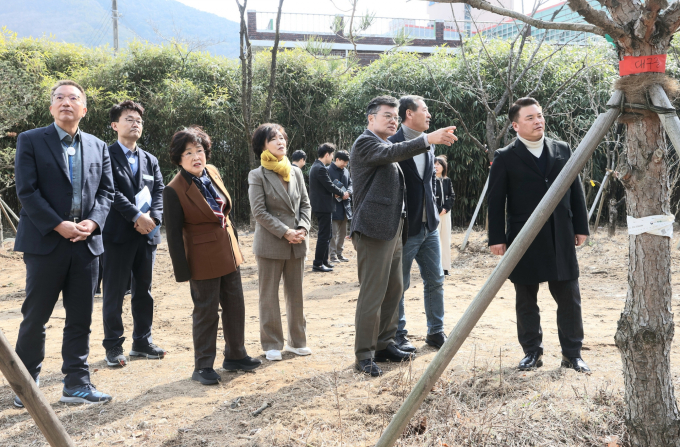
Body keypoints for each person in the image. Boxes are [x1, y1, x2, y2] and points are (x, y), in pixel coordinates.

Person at [13, 80, 115, 406]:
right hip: (45, 243)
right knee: (35, 316)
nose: (66, 102)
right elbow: (26, 191)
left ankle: (77, 384)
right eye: (59, 98)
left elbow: (107, 193)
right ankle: (25, 385)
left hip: (86, 246)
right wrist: (58, 225)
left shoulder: (99, 146)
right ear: (51, 108)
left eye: (73, 98)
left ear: (84, 109)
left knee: (80, 318)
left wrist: (94, 221)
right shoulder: (31, 141)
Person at [350, 95, 457, 376]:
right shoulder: (365, 143)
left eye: (395, 116)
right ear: (370, 118)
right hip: (373, 230)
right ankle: (364, 354)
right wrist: (428, 139)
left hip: (396, 228)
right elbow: (391, 155)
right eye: (387, 116)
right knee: (372, 294)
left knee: (394, 289)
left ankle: (384, 344)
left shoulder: (387, 143)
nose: (393, 120)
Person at [487, 97, 590, 373]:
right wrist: (496, 237)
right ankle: (532, 352)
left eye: (540, 116)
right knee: (526, 297)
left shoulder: (562, 149)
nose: (538, 121)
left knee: (569, 296)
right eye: (530, 117)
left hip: (561, 233)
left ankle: (572, 354)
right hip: (524, 236)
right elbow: (495, 200)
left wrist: (581, 226)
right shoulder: (505, 157)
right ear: (515, 125)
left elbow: (575, 190)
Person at [164, 126, 261, 385]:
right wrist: (182, 271)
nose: (196, 157)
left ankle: (236, 355)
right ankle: (203, 365)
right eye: (188, 153)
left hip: (228, 252)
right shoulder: (173, 189)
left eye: (199, 150)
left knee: (235, 305)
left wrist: (237, 248)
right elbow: (173, 234)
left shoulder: (213, 172)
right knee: (206, 311)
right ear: (178, 158)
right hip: (201, 258)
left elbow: (224, 212)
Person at [101, 100, 166, 367]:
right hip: (117, 234)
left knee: (144, 291)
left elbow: (160, 192)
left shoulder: (150, 159)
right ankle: (114, 346)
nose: (135, 123)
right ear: (115, 125)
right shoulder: (104, 154)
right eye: (129, 119)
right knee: (114, 292)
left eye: (138, 120)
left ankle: (142, 341)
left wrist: (154, 219)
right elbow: (108, 191)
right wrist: (135, 216)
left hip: (147, 235)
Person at [248, 123, 312, 361]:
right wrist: (286, 231)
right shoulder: (257, 175)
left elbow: (305, 204)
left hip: (298, 243)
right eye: (273, 139)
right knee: (269, 295)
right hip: (271, 242)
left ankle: (297, 342)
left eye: (282, 138)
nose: (280, 142)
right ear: (262, 145)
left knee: (296, 294)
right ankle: (272, 343)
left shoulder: (295, 171)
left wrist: (303, 227)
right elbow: (259, 212)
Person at [389, 95, 447, 353]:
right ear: (409, 114)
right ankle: (399, 335)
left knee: (435, 279)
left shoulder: (430, 146)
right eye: (425, 110)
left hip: (429, 227)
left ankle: (436, 332)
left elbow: (429, 181)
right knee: (399, 283)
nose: (429, 114)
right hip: (405, 228)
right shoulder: (391, 144)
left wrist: (434, 209)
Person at [308, 143, 348, 272]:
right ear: (327, 155)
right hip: (323, 206)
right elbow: (329, 185)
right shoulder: (320, 168)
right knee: (324, 235)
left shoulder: (317, 166)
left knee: (327, 234)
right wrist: (343, 193)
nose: (332, 157)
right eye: (331, 155)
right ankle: (318, 263)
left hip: (323, 206)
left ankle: (324, 261)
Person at [328, 150, 352, 263]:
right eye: (344, 162)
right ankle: (332, 255)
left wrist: (348, 192)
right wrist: (334, 193)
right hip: (333, 205)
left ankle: (339, 253)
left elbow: (351, 183)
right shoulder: (327, 170)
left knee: (342, 232)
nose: (345, 165)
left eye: (347, 163)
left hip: (345, 205)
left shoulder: (346, 171)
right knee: (332, 233)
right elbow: (324, 187)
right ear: (337, 159)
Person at [434, 156, 455, 276]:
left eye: (438, 164)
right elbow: (429, 197)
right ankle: (436, 267)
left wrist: (445, 208)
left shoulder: (447, 180)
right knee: (435, 240)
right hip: (434, 214)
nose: (436, 166)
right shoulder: (429, 180)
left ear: (443, 167)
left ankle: (445, 268)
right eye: (434, 164)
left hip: (446, 214)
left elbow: (452, 196)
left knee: (446, 239)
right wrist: (438, 209)